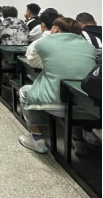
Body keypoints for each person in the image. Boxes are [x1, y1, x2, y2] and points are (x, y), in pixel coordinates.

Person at [19, 17, 97, 154]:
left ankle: (36, 139)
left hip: (55, 104)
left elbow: (33, 62)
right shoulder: (89, 47)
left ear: (55, 29)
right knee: (73, 95)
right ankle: (78, 138)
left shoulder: (44, 42)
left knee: (25, 91)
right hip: (88, 108)